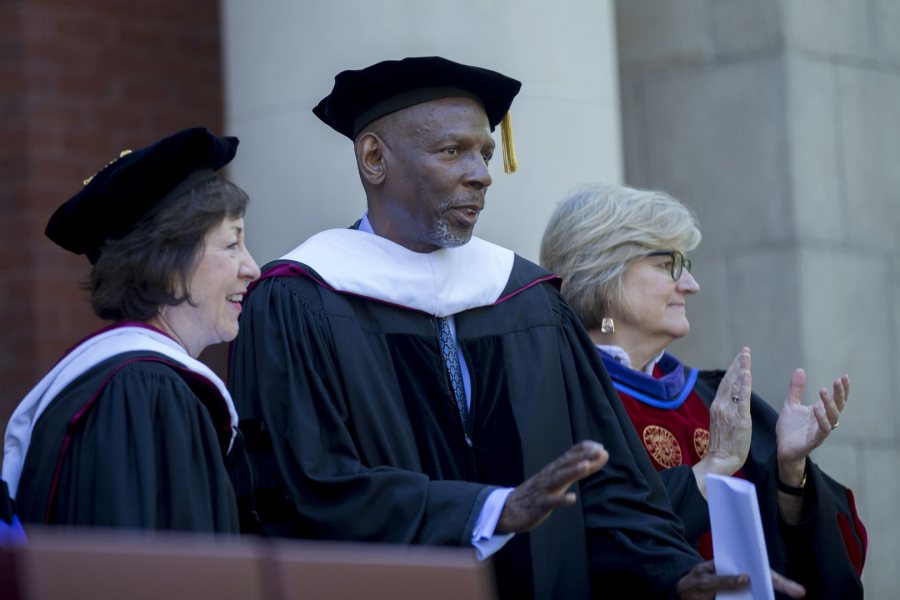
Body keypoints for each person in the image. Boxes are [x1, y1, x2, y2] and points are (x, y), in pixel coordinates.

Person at [228, 57, 804, 599]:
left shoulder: (528, 300)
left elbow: (611, 481)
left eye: (483, 152)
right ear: (374, 160)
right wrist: (489, 511)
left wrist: (673, 571)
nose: (481, 175)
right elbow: (309, 486)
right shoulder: (298, 301)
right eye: (452, 151)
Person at [540, 182, 867, 599]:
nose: (691, 284)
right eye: (667, 265)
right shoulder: (557, 401)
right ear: (603, 274)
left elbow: (822, 565)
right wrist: (713, 466)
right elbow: (586, 547)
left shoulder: (716, 400)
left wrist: (790, 474)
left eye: (685, 264)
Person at [2, 127, 261, 532]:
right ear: (170, 267)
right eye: (232, 244)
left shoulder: (119, 383)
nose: (253, 268)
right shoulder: (145, 390)